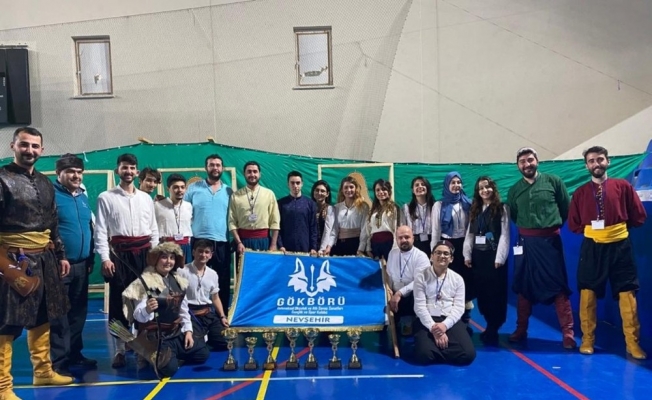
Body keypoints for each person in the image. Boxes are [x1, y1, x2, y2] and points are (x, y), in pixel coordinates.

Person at [0, 127, 74, 400]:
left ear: (42, 150)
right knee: (6, 323)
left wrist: (61, 255)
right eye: (24, 144)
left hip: (44, 258)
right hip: (11, 260)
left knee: (43, 316)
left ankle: (43, 372)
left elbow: (53, 223)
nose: (29, 150)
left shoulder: (44, 182)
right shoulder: (1, 179)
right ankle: (2, 387)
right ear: (13, 146)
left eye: (34, 146)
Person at [568, 146, 647, 359]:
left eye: (600, 159)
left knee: (627, 293)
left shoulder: (623, 186)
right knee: (587, 292)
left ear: (608, 162)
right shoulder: (580, 193)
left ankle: (632, 343)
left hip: (620, 246)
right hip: (592, 247)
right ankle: (587, 340)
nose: (596, 164)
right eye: (592, 161)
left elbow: (638, 216)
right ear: (586, 165)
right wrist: (596, 232)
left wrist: (616, 229)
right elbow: (574, 223)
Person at [95, 153, 159, 368]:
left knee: (144, 301)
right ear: (118, 171)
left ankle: (141, 347)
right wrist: (105, 258)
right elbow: (101, 230)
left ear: (137, 172)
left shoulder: (146, 198)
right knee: (119, 304)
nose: (128, 171)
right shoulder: (106, 197)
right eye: (124, 167)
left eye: (132, 168)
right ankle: (120, 349)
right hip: (119, 256)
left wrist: (154, 257)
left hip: (144, 255)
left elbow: (153, 229)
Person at [507, 147, 575, 349]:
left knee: (558, 286)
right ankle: (521, 329)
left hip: (550, 243)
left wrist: (548, 228)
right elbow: (514, 215)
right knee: (524, 285)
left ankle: (568, 333)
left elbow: (565, 209)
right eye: (522, 161)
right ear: (518, 166)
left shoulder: (554, 181)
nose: (527, 164)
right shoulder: (514, 190)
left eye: (530, 160)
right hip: (526, 244)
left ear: (537, 161)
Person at [121, 242, 209, 377]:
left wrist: (188, 331)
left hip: (175, 332)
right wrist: (147, 310)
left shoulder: (178, 281)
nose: (168, 261)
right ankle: (147, 353)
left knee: (202, 354)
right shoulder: (145, 282)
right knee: (168, 370)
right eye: (164, 257)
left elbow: (183, 310)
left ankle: (171, 354)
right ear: (156, 259)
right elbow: (138, 316)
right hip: (156, 336)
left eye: (172, 258)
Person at [50, 154, 97, 375]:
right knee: (59, 315)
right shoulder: (51, 196)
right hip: (59, 266)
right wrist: (58, 257)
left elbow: (89, 228)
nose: (76, 176)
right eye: (71, 171)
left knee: (78, 313)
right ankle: (59, 363)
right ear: (58, 173)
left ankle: (74, 354)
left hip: (81, 265)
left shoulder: (82, 197)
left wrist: (90, 258)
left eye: (79, 172)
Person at [412, 240, 476, 366]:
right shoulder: (421, 277)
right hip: (428, 319)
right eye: (438, 253)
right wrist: (434, 328)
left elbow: (459, 308)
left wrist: (444, 326)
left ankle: (437, 350)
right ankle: (443, 349)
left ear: (451, 259)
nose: (442, 256)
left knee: (468, 355)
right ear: (431, 256)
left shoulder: (458, 279)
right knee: (424, 356)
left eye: (446, 254)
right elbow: (419, 307)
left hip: (448, 319)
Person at [463, 176, 510, 345]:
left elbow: (504, 234)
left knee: (494, 294)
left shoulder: (502, 208)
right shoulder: (475, 209)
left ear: (493, 188)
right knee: (482, 293)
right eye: (481, 188)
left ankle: (493, 327)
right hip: (478, 257)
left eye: (487, 187)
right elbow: (470, 234)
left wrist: (500, 258)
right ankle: (488, 323)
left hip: (494, 257)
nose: (485, 190)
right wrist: (467, 255)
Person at [184, 154, 233, 313]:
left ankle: (221, 315)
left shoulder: (229, 191)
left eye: (218, 165)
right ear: (206, 167)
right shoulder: (193, 188)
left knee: (222, 281)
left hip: (221, 241)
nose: (215, 168)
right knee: (195, 278)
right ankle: (194, 314)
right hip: (198, 239)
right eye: (212, 165)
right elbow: (182, 211)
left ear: (222, 168)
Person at [431, 171, 474, 335]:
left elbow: (471, 229)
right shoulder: (439, 205)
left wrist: (468, 252)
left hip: (464, 245)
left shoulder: (468, 204)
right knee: (447, 283)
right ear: (447, 185)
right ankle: (446, 319)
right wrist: (434, 254)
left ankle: (465, 321)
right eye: (453, 182)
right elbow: (436, 231)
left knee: (465, 283)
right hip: (446, 245)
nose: (456, 185)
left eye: (458, 182)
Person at [177, 239, 229, 350]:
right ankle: (201, 339)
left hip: (208, 313)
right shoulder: (182, 272)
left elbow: (215, 297)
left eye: (206, 252)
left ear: (211, 255)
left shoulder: (213, 274)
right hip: (190, 313)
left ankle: (206, 337)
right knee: (194, 346)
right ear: (193, 252)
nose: (203, 255)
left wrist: (222, 316)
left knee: (226, 342)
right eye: (200, 251)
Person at [229, 161, 280, 256]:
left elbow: (275, 222)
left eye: (255, 171)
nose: (252, 174)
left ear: (260, 174)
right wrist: (239, 243)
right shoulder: (235, 196)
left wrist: (273, 245)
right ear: (244, 174)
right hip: (243, 243)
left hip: (264, 242)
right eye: (249, 172)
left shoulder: (269, 194)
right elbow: (232, 222)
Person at [386, 226, 430, 334]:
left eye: (407, 237)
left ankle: (410, 322)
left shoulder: (421, 256)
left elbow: (419, 281)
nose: (403, 240)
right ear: (396, 239)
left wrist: (399, 293)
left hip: (411, 295)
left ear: (413, 238)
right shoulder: (392, 253)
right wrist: (388, 290)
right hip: (394, 292)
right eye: (400, 238)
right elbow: (389, 275)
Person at [320, 176, 370, 256]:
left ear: (356, 189)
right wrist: (329, 246)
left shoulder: (363, 207)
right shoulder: (337, 207)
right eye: (346, 187)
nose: (348, 190)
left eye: (351, 187)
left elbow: (364, 230)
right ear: (342, 190)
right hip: (340, 245)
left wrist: (361, 249)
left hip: (356, 244)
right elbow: (334, 230)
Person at [277, 171, 318, 254]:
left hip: (305, 248)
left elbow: (313, 227)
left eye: (298, 183)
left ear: (302, 184)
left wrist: (313, 247)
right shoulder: (281, 203)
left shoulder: (310, 204)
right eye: (292, 183)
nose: (295, 186)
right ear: (288, 184)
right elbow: (277, 226)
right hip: (285, 249)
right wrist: (280, 245)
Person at [155, 174, 193, 263]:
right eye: (176, 187)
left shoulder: (188, 206)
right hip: (166, 247)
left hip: (185, 247)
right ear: (168, 189)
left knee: (185, 271)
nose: (180, 190)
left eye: (182, 187)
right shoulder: (157, 206)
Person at [364, 179, 399, 261]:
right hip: (375, 245)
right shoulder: (372, 210)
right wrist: (368, 247)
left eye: (384, 189)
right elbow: (368, 230)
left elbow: (396, 228)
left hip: (389, 243)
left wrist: (395, 247)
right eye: (378, 190)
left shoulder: (394, 208)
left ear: (389, 191)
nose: (381, 192)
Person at [403, 177, 435, 256]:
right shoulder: (407, 207)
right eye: (417, 185)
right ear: (412, 190)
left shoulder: (435, 206)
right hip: (414, 242)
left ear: (427, 188)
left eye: (423, 184)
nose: (420, 187)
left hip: (432, 241)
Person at [311, 180, 334, 248]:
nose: (319, 193)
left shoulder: (330, 209)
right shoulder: (308, 208)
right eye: (317, 190)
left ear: (327, 194)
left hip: (326, 248)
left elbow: (330, 232)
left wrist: (324, 247)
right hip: (310, 247)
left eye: (322, 191)